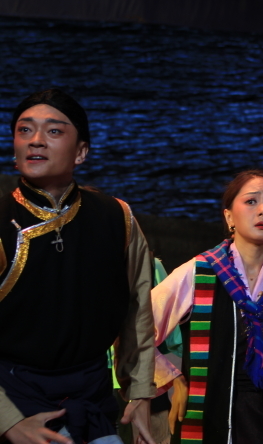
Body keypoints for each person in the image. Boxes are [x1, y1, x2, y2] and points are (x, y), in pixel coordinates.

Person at [0, 89, 156, 444]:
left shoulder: (117, 217)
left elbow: (138, 312)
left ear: (81, 152)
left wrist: (140, 392)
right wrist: (8, 422)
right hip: (14, 398)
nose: (36, 140)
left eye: (54, 131)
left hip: (92, 398)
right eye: (25, 130)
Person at [151, 169, 263, 444]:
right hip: (211, 417)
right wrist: (172, 379)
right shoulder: (199, 272)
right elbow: (135, 331)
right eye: (251, 201)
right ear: (229, 216)